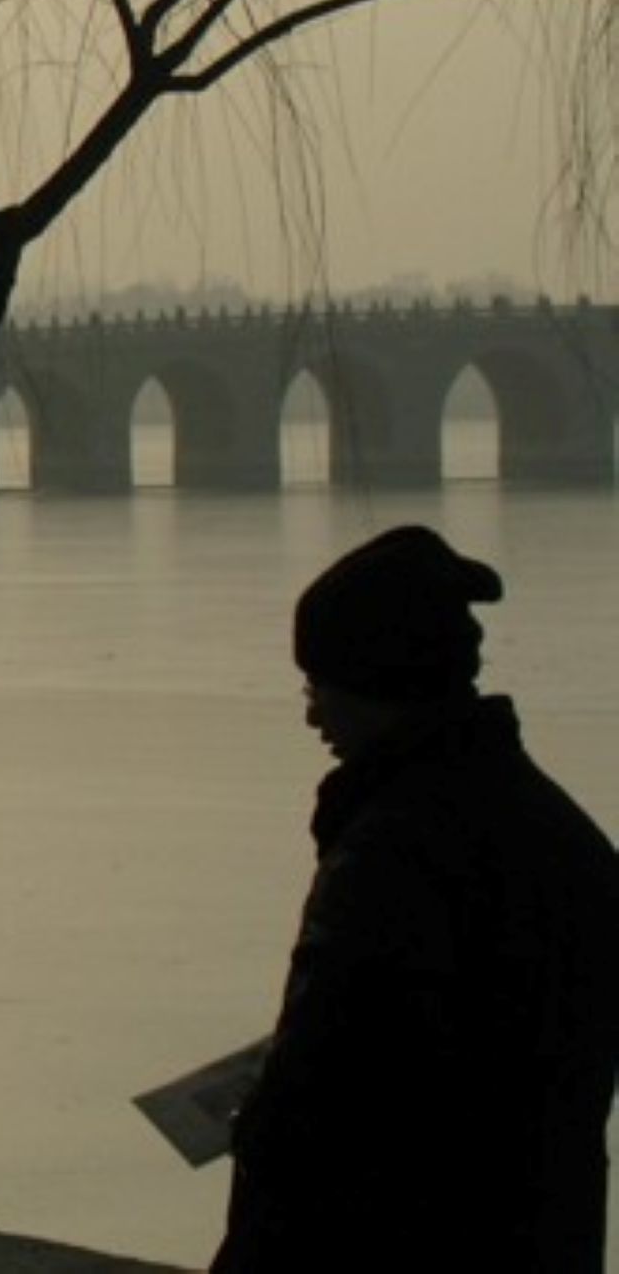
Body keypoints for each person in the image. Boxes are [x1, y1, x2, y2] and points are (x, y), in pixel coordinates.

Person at [216, 524, 619, 1274]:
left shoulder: (392, 850)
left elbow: (323, 1089)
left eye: (318, 687)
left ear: (376, 683)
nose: (312, 716)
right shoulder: (560, 831)